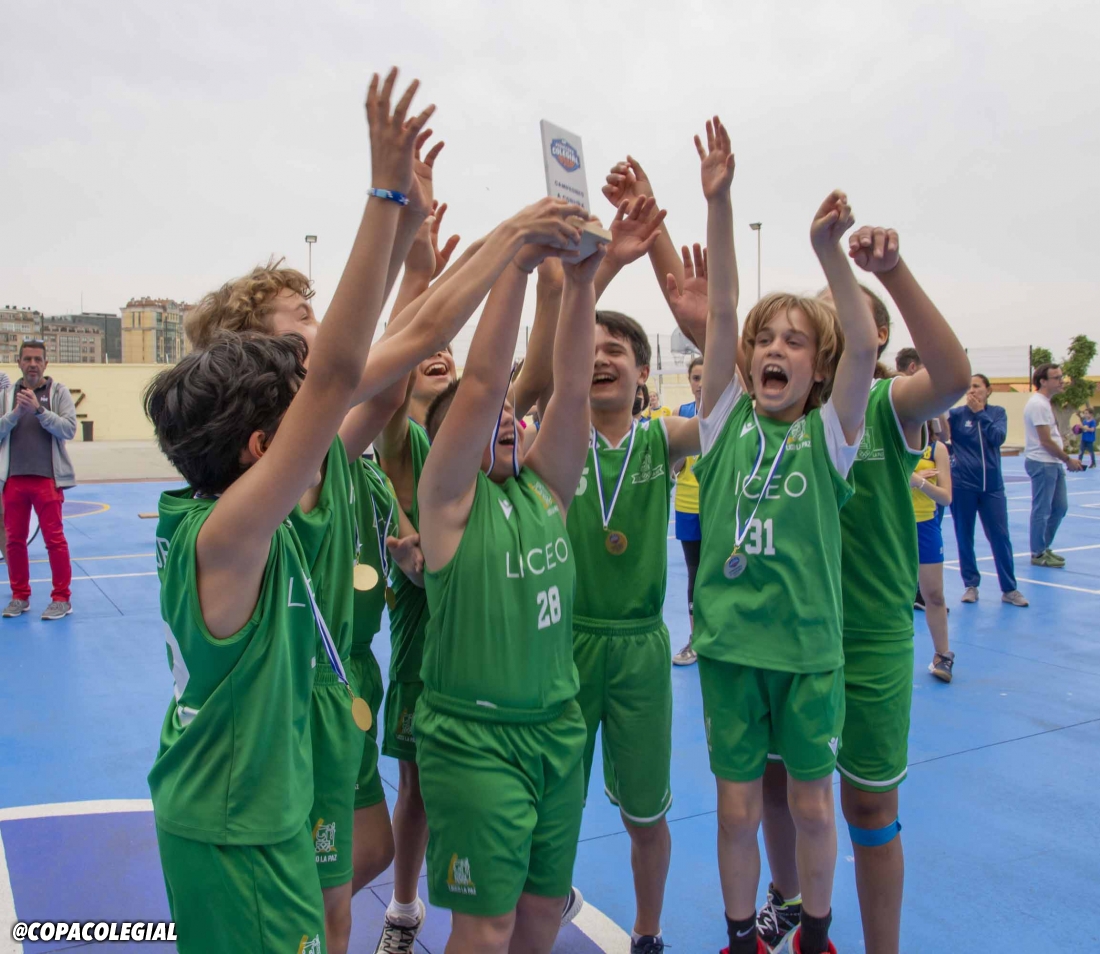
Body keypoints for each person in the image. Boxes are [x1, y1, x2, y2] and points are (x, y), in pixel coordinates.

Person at [141, 67, 427, 952]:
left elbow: (378, 362)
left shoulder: (297, 453)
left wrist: (413, 233)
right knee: (323, 906)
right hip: (281, 718)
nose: (323, 322)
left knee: (352, 870)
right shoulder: (263, 487)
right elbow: (354, 365)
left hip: (329, 688)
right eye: (301, 314)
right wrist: (390, 201)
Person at [686, 113, 876, 954]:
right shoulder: (723, 420)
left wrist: (829, 252)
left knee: (810, 806)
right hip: (731, 651)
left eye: (794, 342)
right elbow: (724, 305)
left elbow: (864, 347)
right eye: (765, 340)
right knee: (735, 809)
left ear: (817, 369)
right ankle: (740, 936)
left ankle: (815, 932)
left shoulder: (829, 436)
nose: (773, 348)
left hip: (807, 654)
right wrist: (719, 202)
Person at [415, 197, 593, 954]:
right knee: (486, 928)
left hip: (558, 731)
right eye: (489, 418)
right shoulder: (448, 502)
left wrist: (581, 283)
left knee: (542, 913)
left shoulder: (544, 489)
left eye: (515, 415)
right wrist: (516, 265)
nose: (509, 419)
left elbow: (571, 390)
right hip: (475, 742)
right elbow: (487, 380)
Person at [564, 309, 700, 953]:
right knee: (552, 804)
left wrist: (707, 321)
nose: (600, 358)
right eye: (587, 349)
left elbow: (726, 413)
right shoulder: (553, 439)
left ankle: (648, 930)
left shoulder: (662, 439)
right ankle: (543, 902)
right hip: (565, 644)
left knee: (646, 811)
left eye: (615, 349)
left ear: (643, 370)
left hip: (640, 649)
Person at [0, 340, 78, 621]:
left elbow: (69, 429)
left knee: (55, 540)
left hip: (47, 479)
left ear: (46, 363)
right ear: (19, 363)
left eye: (37, 359)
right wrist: (15, 414)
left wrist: (39, 411)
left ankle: (61, 598)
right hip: (13, 480)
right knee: (14, 541)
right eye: (27, 359)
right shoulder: (7, 395)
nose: (32, 364)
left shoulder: (58, 392)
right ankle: (19, 596)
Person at [948, 374, 1028, 606]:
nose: (972, 391)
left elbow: (997, 438)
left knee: (1000, 536)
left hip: (992, 488)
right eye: (969, 387)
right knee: (964, 535)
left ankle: (1009, 589)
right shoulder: (956, 416)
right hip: (963, 487)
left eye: (977, 386)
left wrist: (980, 413)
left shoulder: (997, 413)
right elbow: (941, 436)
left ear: (988, 390)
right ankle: (970, 585)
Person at [1024, 362, 1084, 567]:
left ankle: (1044, 546)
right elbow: (1045, 441)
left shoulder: (1045, 403)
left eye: (1061, 377)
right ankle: (1037, 552)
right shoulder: (1038, 405)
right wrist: (1068, 459)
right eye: (1056, 378)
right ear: (1043, 381)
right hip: (1042, 463)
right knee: (1042, 509)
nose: (1061, 381)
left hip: (1052, 462)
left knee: (1059, 507)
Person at [911, 438, 954, 680]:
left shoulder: (937, 449)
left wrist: (918, 482)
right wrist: (907, 478)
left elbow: (946, 497)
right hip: (892, 524)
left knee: (934, 595)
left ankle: (942, 656)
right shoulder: (889, 439)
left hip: (925, 526)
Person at [672, 354, 703, 665]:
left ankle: (720, 636)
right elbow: (675, 466)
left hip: (720, 504)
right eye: (696, 378)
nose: (701, 383)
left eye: (705, 377)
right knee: (694, 571)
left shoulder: (730, 413)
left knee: (723, 571)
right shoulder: (681, 414)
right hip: (687, 504)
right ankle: (695, 639)